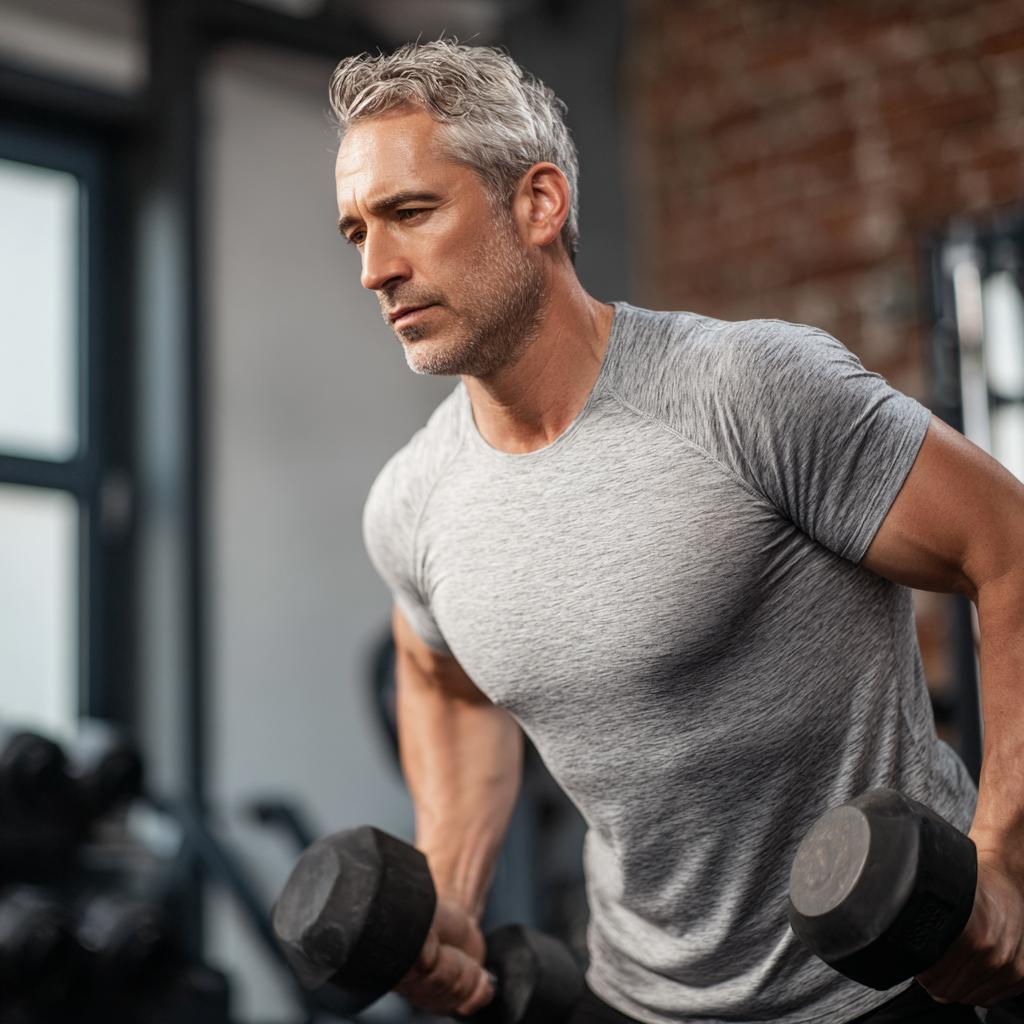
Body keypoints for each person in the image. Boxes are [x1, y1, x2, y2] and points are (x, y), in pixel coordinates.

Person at [330, 41, 1024, 1024]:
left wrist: (1003, 861)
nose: (372, 268)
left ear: (538, 204)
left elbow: (1008, 546)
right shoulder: (412, 502)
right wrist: (451, 888)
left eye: (408, 212)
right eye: (354, 231)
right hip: (639, 996)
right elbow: (440, 675)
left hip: (891, 981)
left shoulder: (746, 390)